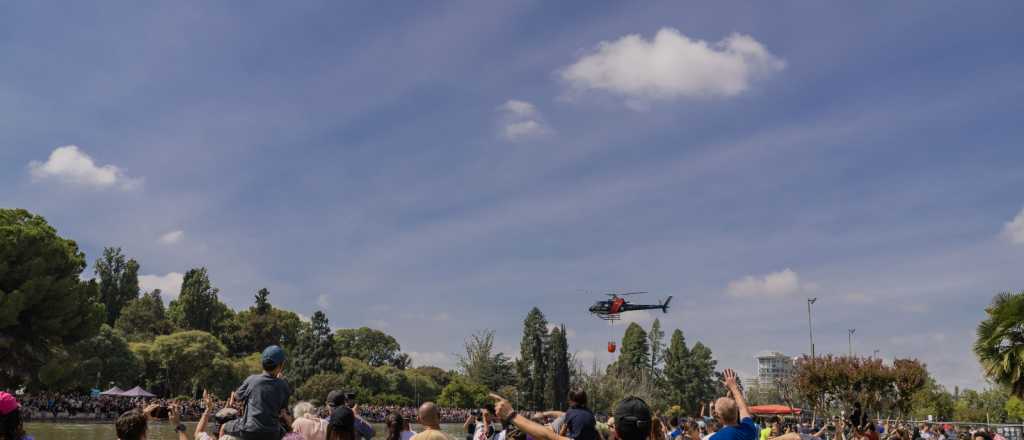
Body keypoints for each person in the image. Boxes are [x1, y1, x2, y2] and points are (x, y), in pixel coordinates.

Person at [226, 345, 293, 440]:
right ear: (281, 365)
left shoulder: (252, 379)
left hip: (249, 430)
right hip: (272, 432)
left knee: (224, 426)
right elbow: (282, 410)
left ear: (262, 363)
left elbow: (237, 397)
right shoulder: (283, 385)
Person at [710, 369, 755, 440]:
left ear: (718, 416)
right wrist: (733, 387)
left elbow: (743, 409)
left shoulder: (715, 438)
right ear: (736, 412)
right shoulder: (748, 429)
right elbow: (743, 409)